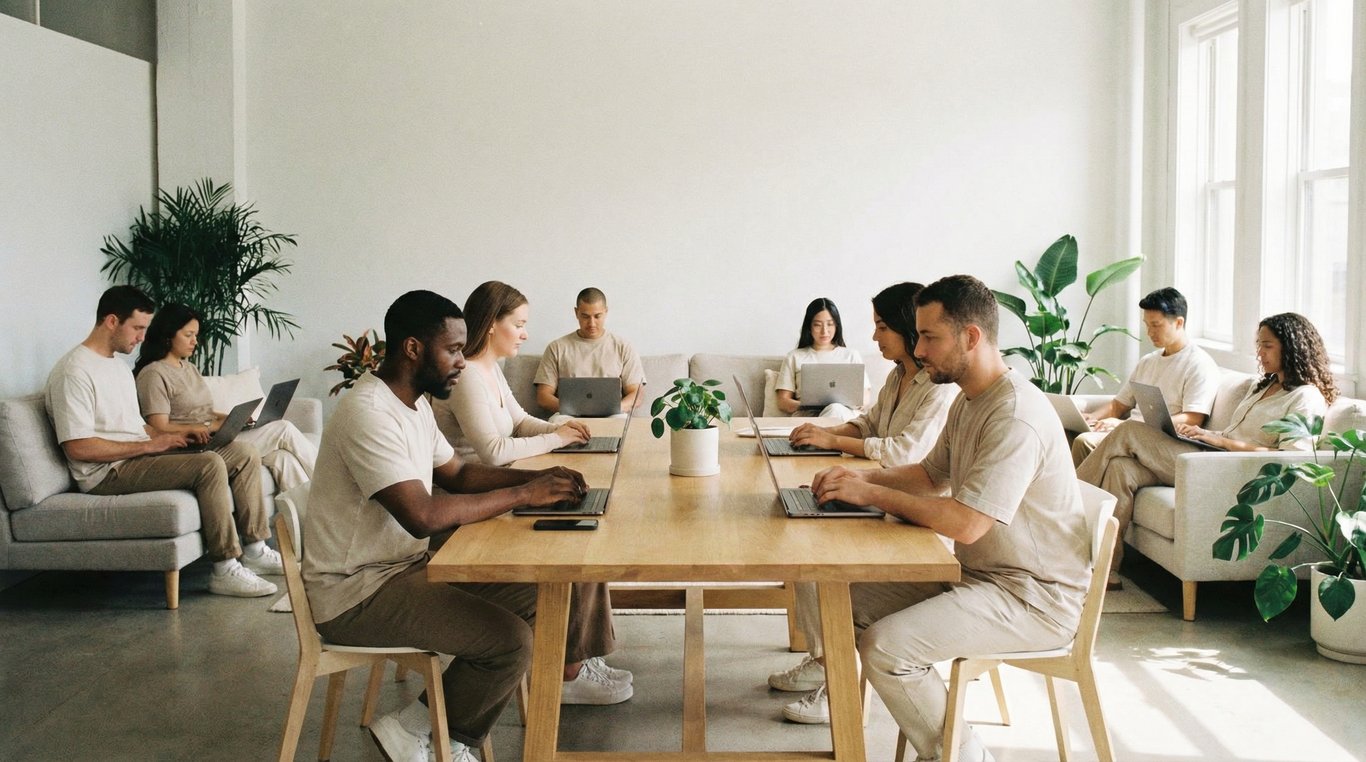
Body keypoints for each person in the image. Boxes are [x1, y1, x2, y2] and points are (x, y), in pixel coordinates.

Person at [303, 290, 632, 762]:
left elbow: (457, 474)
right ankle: (428, 735)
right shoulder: (369, 413)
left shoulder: (412, 404)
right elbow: (421, 515)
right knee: (509, 641)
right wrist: (522, 494)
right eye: (453, 350)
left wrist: (539, 479)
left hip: (402, 568)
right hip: (355, 591)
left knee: (548, 594)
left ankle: (423, 728)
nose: (462, 362)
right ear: (414, 348)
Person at [779, 275, 1090, 762]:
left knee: (886, 648)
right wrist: (855, 484)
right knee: (831, 588)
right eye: (918, 335)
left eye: (929, 337)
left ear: (971, 337)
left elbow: (966, 523)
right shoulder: (971, 398)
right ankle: (848, 711)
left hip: (1034, 598)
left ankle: (961, 754)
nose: (918, 349)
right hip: (978, 577)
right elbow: (928, 474)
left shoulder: (1014, 414)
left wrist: (869, 491)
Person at [44, 286, 281, 598]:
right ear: (112, 321)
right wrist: (148, 446)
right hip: (105, 472)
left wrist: (173, 436)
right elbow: (78, 447)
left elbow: (137, 426)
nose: (143, 337)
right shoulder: (74, 371)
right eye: (138, 328)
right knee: (209, 465)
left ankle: (255, 548)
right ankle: (225, 569)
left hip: (136, 457)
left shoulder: (116, 365)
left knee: (242, 452)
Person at [1077, 312, 1335, 588]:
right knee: (1120, 468)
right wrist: (1206, 435)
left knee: (1127, 431)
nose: (1259, 353)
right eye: (1258, 345)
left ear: (1293, 347)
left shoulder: (1305, 398)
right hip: (1210, 457)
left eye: (1267, 346)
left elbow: (1291, 459)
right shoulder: (1265, 386)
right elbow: (1232, 433)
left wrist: (1222, 443)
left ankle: (1064, 507)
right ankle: (1104, 570)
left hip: (1230, 473)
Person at [133, 303, 317, 492]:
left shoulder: (189, 368)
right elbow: (158, 427)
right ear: (168, 334)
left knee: (281, 459)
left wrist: (232, 419)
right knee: (283, 429)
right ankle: (331, 483)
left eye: (195, 335)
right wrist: (212, 426)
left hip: (217, 436)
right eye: (188, 335)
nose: (195, 341)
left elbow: (204, 411)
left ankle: (311, 518)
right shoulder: (153, 374)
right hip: (196, 446)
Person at [786, 283, 956, 465]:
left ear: (906, 326)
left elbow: (903, 454)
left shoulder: (939, 387)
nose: (875, 337)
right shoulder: (897, 375)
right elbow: (869, 425)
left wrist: (832, 441)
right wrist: (822, 432)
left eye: (882, 328)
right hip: (878, 473)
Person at [434, 281, 592, 465]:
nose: (525, 335)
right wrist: (557, 439)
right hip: (475, 486)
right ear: (491, 324)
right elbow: (493, 453)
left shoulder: (491, 368)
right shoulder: (465, 375)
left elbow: (520, 422)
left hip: (502, 475)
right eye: (518, 325)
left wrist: (559, 430)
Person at [1071, 287, 1220, 466]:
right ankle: (1085, 494)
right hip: (1131, 434)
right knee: (1074, 433)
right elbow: (1119, 405)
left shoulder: (1198, 364)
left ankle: (1077, 494)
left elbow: (1193, 418)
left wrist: (1127, 426)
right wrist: (1093, 418)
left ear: (1179, 323)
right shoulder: (1148, 362)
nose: (1150, 332)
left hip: (1163, 441)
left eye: (1156, 325)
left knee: (1085, 441)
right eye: (1147, 325)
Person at [534, 287, 645, 416]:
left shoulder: (623, 347)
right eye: (585, 316)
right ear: (576, 313)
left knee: (619, 423)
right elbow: (543, 396)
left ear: (606, 312)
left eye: (597, 316)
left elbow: (637, 393)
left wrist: (615, 408)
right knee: (558, 421)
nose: (591, 323)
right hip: (568, 415)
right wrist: (572, 409)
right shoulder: (557, 347)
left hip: (613, 414)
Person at [772, 297, 868, 421]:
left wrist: (853, 404)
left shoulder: (851, 355)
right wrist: (806, 405)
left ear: (837, 325)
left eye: (830, 324)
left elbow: (865, 397)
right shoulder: (794, 356)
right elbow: (783, 402)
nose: (824, 331)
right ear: (809, 326)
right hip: (809, 417)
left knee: (835, 409)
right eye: (817, 325)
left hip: (844, 416)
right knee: (833, 410)